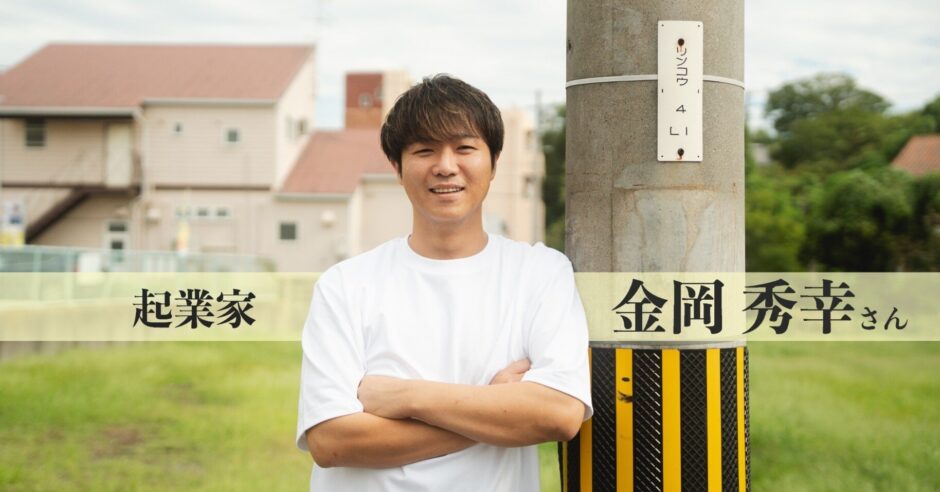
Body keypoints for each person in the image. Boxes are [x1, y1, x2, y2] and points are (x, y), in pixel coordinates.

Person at [295, 74, 592, 491]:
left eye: (465, 148)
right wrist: (494, 405)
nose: (446, 166)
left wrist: (407, 398)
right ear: (397, 168)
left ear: (494, 162)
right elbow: (332, 442)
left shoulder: (540, 273)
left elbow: (558, 414)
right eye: (424, 150)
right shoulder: (345, 285)